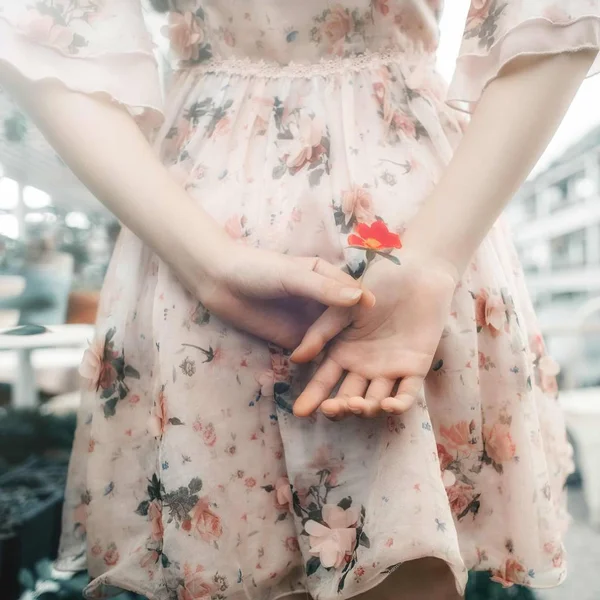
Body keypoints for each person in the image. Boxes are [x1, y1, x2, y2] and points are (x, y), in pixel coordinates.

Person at [0, 1, 598, 599]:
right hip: (352, 221)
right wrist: (209, 265)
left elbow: (49, 35)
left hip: (350, 233)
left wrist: (432, 263)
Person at [0, 234, 74, 326]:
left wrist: (3, 303)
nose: (28, 252)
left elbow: (46, 299)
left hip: (45, 327)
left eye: (32, 248)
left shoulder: (57, 272)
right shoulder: (27, 268)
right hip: (24, 325)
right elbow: (6, 272)